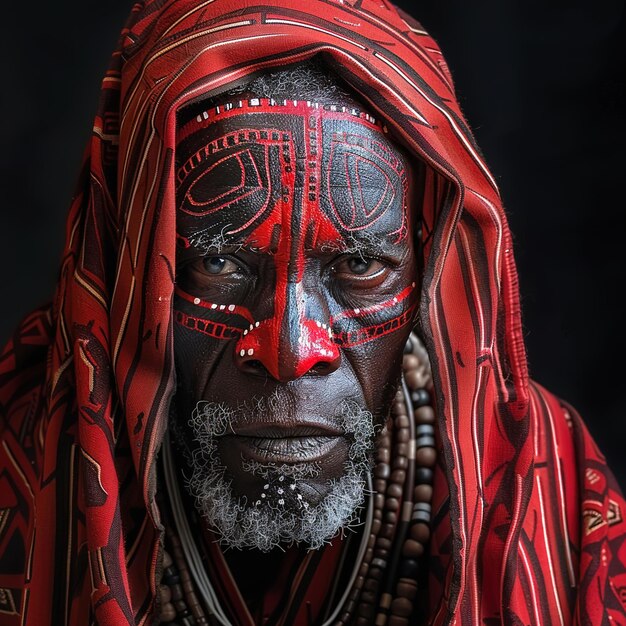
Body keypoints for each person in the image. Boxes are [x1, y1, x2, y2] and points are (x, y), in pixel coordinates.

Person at [0, 1, 624, 625]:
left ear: (430, 266)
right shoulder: (16, 465)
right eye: (218, 266)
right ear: (123, 261)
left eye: (358, 267)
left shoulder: (552, 493)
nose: (292, 353)